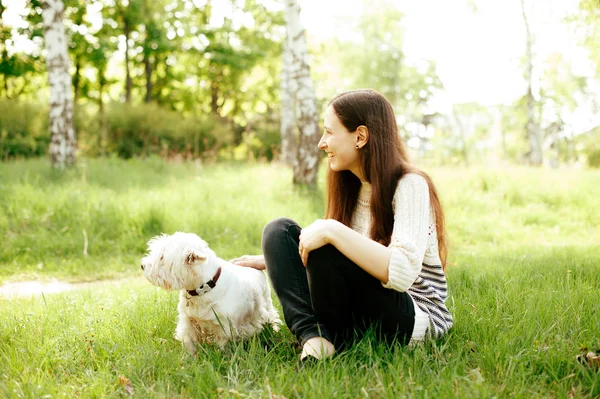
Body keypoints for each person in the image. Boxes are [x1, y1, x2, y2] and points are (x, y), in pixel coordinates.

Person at [233, 89, 453, 362]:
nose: (321, 143)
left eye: (329, 132)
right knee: (278, 231)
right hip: (361, 312)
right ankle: (315, 339)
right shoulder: (351, 186)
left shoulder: (410, 185)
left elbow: (403, 272)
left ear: (360, 136)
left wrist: (332, 230)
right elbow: (340, 265)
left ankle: (326, 338)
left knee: (327, 243)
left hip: (412, 320)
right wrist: (277, 257)